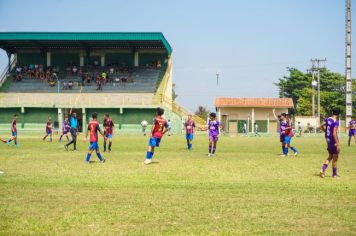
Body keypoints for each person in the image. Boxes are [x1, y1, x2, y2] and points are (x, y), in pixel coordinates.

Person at [319, 108, 341, 178]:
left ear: (332, 112)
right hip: (333, 140)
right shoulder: (336, 122)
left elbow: (320, 126)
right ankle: (334, 174)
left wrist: (325, 131)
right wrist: (337, 143)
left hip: (328, 139)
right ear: (338, 114)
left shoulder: (328, 119)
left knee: (330, 156)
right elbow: (334, 133)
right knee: (335, 157)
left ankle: (322, 170)